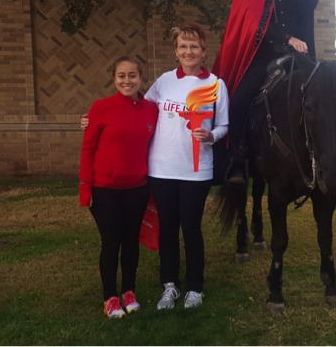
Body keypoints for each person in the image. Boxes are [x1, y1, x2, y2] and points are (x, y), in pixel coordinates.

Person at [82, 22, 229, 310]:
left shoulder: (216, 84)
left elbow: (224, 125)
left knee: (191, 228)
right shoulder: (163, 82)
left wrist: (212, 135)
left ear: (203, 51)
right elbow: (136, 107)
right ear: (176, 51)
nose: (189, 51)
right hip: (161, 171)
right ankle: (169, 286)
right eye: (183, 46)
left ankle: (195, 287)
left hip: (196, 172)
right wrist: (93, 119)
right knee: (168, 230)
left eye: (194, 46)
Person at [212, 0, 319, 185]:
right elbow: (253, 26)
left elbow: (308, 7)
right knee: (237, 102)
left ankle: (321, 158)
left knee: (322, 97)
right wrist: (286, 38)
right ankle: (237, 161)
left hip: (293, 60)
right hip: (259, 58)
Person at [79, 56, 159, 319]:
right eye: (122, 76)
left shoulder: (151, 110)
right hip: (105, 189)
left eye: (132, 75)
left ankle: (129, 292)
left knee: (131, 243)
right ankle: (110, 297)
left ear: (140, 78)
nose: (127, 80)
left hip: (137, 188)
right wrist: (85, 190)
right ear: (114, 79)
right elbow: (88, 149)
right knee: (111, 243)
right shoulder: (100, 108)